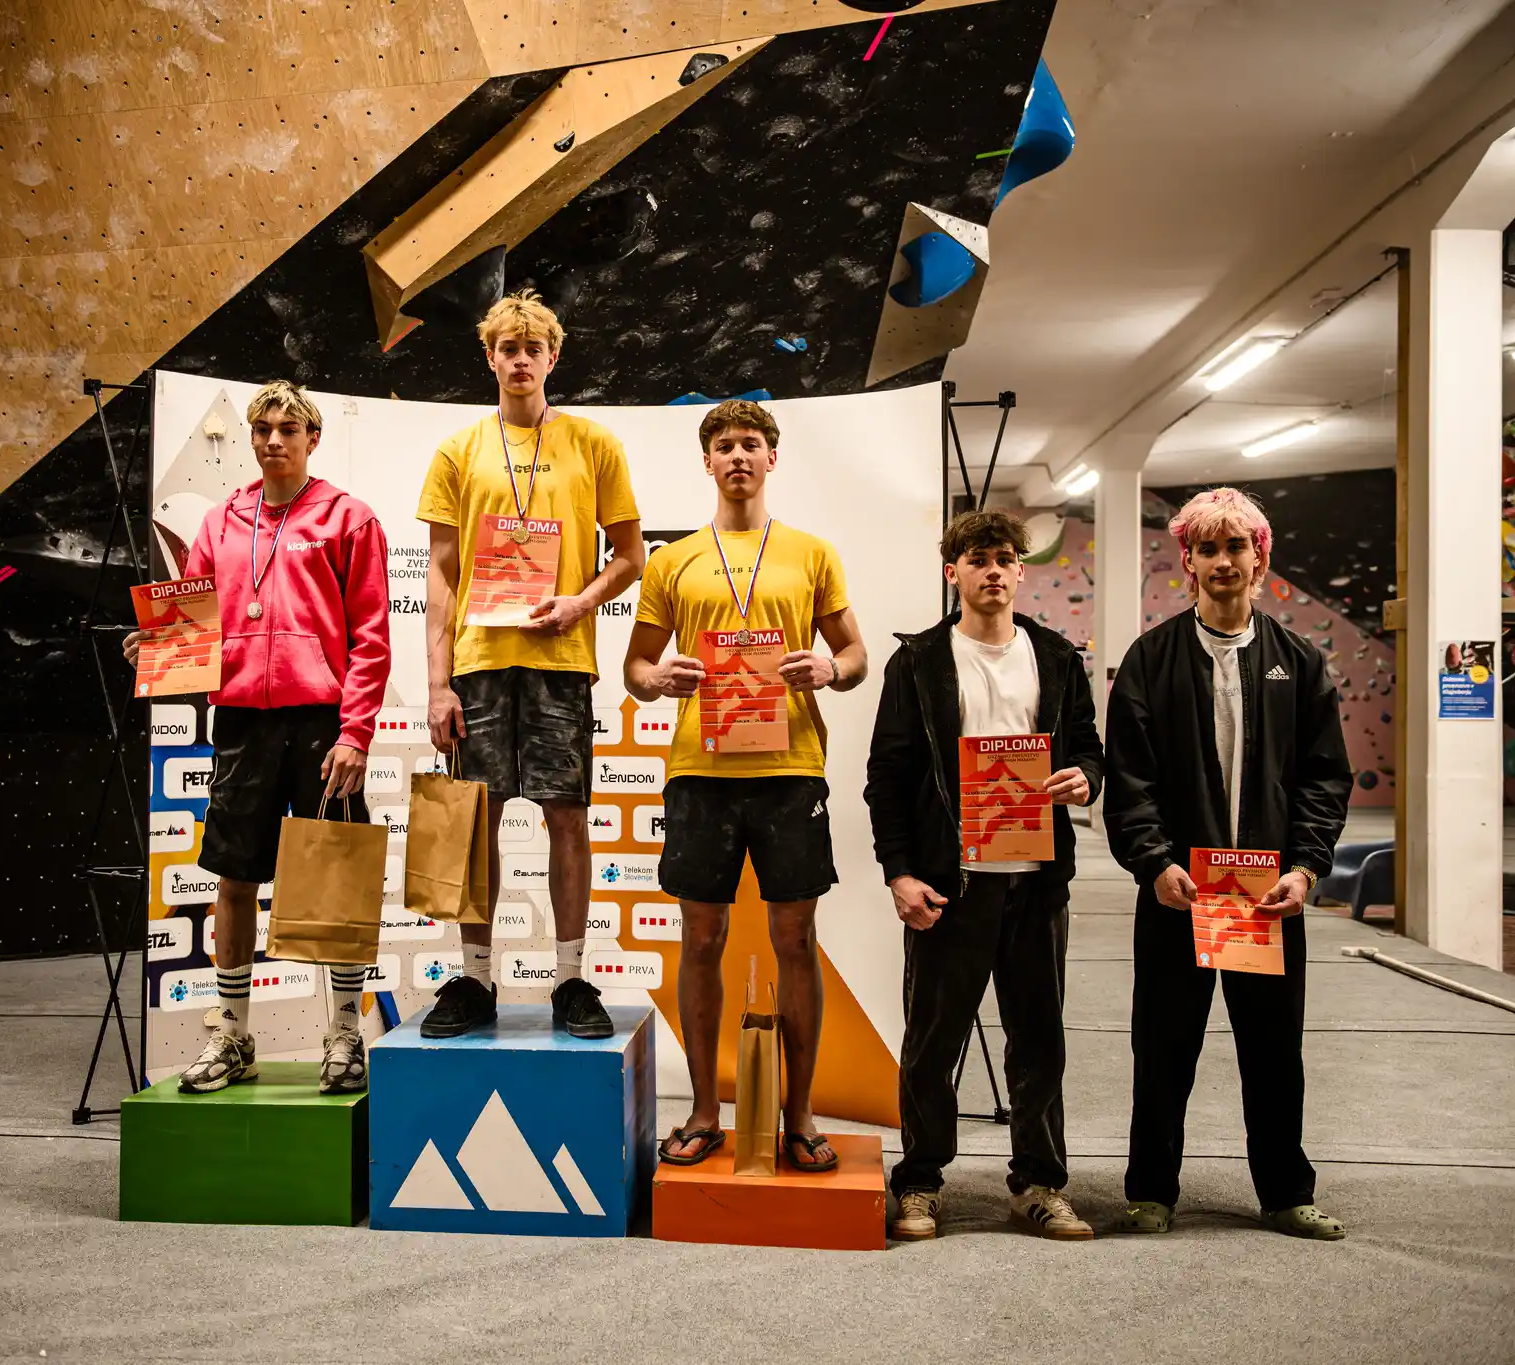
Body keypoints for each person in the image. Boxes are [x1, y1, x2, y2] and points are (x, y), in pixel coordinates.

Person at [124, 381, 391, 1095]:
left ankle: (345, 1031)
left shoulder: (349, 518)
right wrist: (158, 646)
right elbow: (196, 620)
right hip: (242, 721)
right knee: (234, 877)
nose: (274, 440)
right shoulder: (221, 521)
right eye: (263, 429)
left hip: (323, 725)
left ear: (312, 439)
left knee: (335, 877)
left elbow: (371, 637)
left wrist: (356, 732)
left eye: (288, 429)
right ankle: (232, 1032)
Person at [624, 399, 867, 1172]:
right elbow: (635, 667)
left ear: (771, 458)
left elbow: (856, 655)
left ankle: (800, 1114)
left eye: (751, 444)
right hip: (700, 771)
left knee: (795, 939)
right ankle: (704, 1109)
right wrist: (658, 678)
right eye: (724, 445)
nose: (738, 456)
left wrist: (829, 667)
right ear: (707, 461)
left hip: (790, 769)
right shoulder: (673, 561)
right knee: (702, 939)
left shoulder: (812, 553)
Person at [1104, 486, 1353, 1239]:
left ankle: (1285, 1192)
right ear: (1187, 562)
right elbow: (1131, 778)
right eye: (1206, 548)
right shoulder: (1150, 659)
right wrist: (1154, 863)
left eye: (1235, 546)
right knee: (1164, 1047)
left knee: (1274, 1050)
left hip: (1265, 893)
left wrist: (1305, 869)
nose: (1222, 561)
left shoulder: (1298, 663)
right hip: (1180, 891)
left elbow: (1324, 778)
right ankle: (1151, 1191)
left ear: (1260, 558)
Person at [864, 509, 1105, 1241]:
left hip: (1036, 882)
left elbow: (1090, 749)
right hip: (951, 881)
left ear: (1021, 571)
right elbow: (887, 776)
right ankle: (920, 1182)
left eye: (1004, 558)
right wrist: (899, 873)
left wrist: (1085, 780)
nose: (992, 571)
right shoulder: (918, 661)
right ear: (954, 573)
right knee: (932, 1043)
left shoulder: (1057, 657)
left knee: (1039, 1040)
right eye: (977, 560)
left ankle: (1039, 1183)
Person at [418, 290, 647, 1039]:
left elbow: (632, 556)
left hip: (561, 658)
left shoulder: (593, 443)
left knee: (567, 817)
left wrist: (581, 603)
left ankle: (571, 978)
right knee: (473, 824)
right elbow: (441, 573)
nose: (521, 360)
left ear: (553, 357)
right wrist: (437, 684)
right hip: (479, 661)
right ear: (489, 358)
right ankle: (475, 978)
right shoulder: (458, 450)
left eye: (533, 349)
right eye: (508, 349)